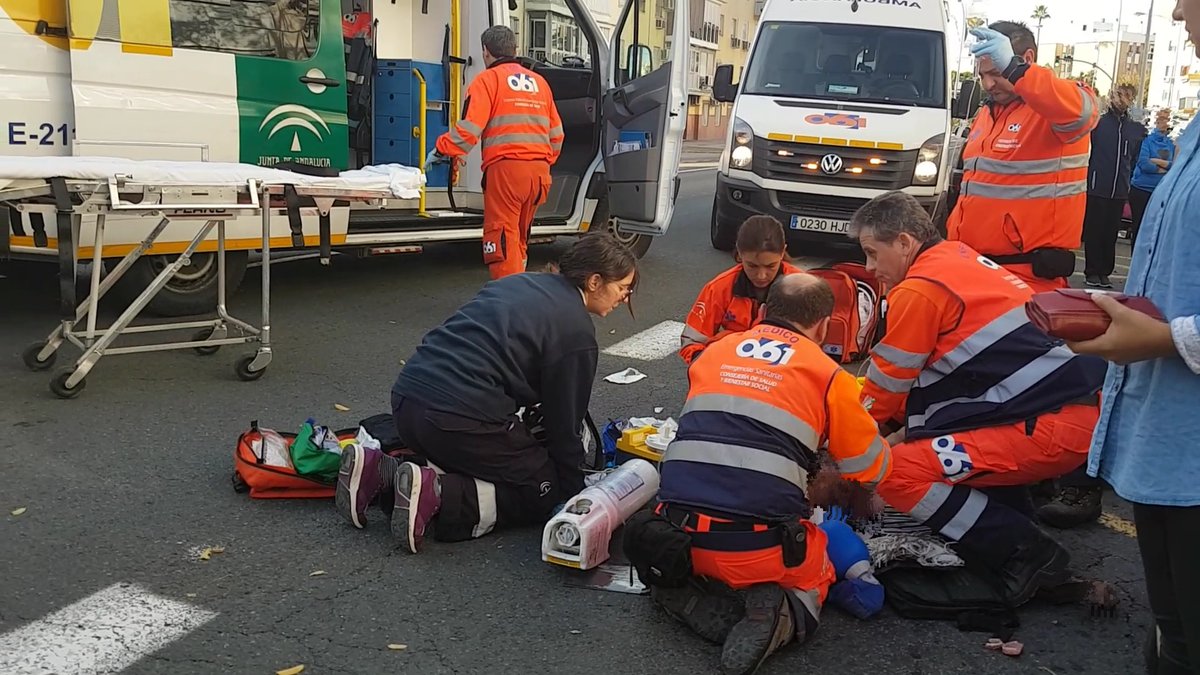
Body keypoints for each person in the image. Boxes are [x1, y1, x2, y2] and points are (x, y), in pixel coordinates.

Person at [850, 191, 1108, 606]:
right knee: (933, 439)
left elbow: (884, 391)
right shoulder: (957, 257)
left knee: (896, 472)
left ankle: (1026, 554)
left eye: (871, 252)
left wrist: (851, 448)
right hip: (1063, 412)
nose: (869, 267)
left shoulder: (920, 289)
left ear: (903, 242)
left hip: (1048, 426)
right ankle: (1017, 528)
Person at [645, 274, 890, 675]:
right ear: (824, 325)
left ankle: (687, 589)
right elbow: (870, 468)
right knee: (816, 572)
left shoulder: (713, 353)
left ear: (761, 312)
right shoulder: (829, 376)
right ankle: (786, 612)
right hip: (758, 551)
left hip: (674, 535)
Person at [334, 233, 637, 553]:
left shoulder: (519, 282)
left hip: (407, 401)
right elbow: (564, 426)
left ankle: (379, 471)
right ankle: (436, 494)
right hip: (457, 418)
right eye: (623, 288)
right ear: (594, 281)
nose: (625, 298)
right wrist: (574, 490)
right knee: (540, 487)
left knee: (477, 454)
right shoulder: (576, 330)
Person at [1066, 3, 1200, 670]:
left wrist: (1162, 337)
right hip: (1171, 450)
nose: (1176, 10)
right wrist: (1123, 307)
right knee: (1173, 637)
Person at [947, 22, 1100, 294]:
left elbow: (1084, 113)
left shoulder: (1053, 110)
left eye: (997, 72)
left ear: (1026, 60)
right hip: (971, 268)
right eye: (982, 75)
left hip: (1024, 278)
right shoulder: (989, 112)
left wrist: (1018, 73)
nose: (988, 84)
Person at [428, 25, 565, 280]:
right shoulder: (540, 84)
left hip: (506, 172)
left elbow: (469, 131)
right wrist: (542, 161)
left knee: (502, 236)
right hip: (539, 173)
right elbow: (557, 135)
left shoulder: (487, 81)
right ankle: (521, 289)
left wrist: (442, 148)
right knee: (521, 236)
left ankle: (508, 301)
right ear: (515, 49)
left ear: (485, 52)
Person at [679, 215, 801, 363]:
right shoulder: (720, 287)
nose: (761, 275)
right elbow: (692, 342)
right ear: (739, 253)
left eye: (770, 266)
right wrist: (709, 367)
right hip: (731, 370)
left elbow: (819, 348)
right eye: (752, 266)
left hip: (783, 369)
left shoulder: (802, 288)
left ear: (783, 252)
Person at [1081, 83, 1145, 289]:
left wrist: (1127, 180)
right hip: (1097, 186)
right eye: (1118, 94)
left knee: (1110, 233)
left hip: (1119, 190)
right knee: (1094, 230)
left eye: (1126, 95)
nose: (1121, 99)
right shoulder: (1099, 124)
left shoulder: (1134, 129)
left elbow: (1134, 157)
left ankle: (1104, 272)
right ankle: (1092, 271)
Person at [1127, 108, 1176, 248]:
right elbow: (1143, 164)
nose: (1164, 123)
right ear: (1156, 121)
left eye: (1166, 119)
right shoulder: (1147, 141)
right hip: (1141, 190)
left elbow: (1174, 166)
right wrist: (1162, 168)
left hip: (1160, 192)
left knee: (1155, 230)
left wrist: (1157, 161)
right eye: (1161, 120)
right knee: (1138, 227)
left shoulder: (1171, 144)